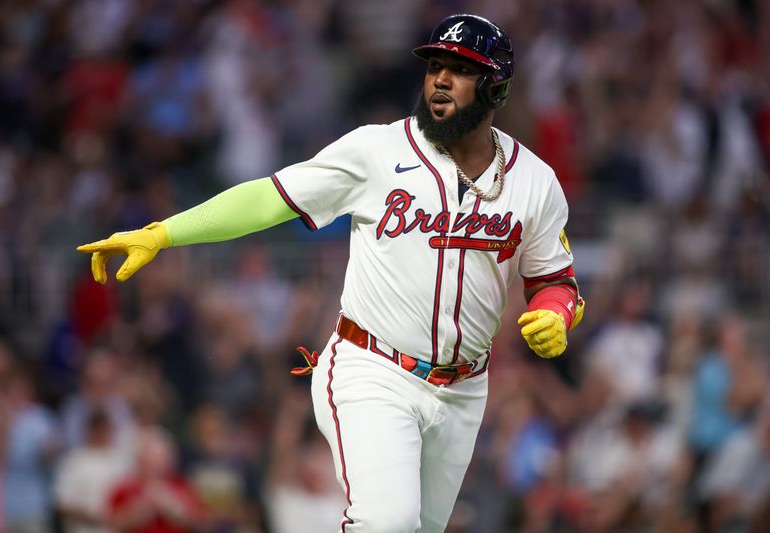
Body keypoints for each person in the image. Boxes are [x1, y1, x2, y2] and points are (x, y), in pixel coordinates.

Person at [78, 13, 585, 532]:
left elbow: (554, 279)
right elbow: (268, 197)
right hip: (374, 368)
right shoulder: (377, 151)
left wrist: (555, 313)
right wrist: (165, 233)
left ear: (496, 86)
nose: (440, 79)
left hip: (463, 390)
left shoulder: (535, 182)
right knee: (385, 523)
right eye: (435, 66)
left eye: (460, 69)